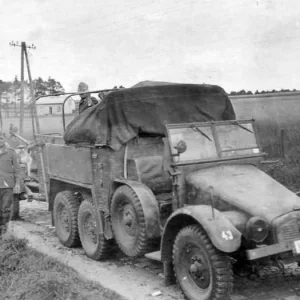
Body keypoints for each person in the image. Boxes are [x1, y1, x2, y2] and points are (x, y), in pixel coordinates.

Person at [0, 132, 21, 235]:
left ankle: (4, 233)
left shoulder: (11, 153)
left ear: (4, 139)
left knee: (6, 210)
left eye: (1, 138)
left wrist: (17, 184)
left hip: (7, 186)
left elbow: (17, 170)